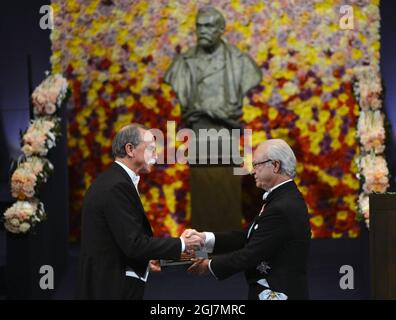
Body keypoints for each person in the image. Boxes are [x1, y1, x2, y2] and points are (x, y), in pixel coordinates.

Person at [77, 124, 203, 299]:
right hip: (111, 289)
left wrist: (151, 256)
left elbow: (122, 240)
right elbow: (134, 245)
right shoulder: (116, 186)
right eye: (151, 148)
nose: (156, 155)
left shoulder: (114, 180)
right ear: (130, 149)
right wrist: (182, 244)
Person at [186, 139, 311, 300]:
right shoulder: (281, 198)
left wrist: (207, 266)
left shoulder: (283, 205)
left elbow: (251, 254)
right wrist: (205, 239)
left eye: (257, 164)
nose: (252, 171)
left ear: (275, 166)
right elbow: (249, 236)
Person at [164, 6, 262, 130]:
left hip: (227, 130)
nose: (202, 31)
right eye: (199, 26)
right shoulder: (182, 63)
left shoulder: (241, 62)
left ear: (221, 29)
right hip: (197, 128)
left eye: (208, 26)